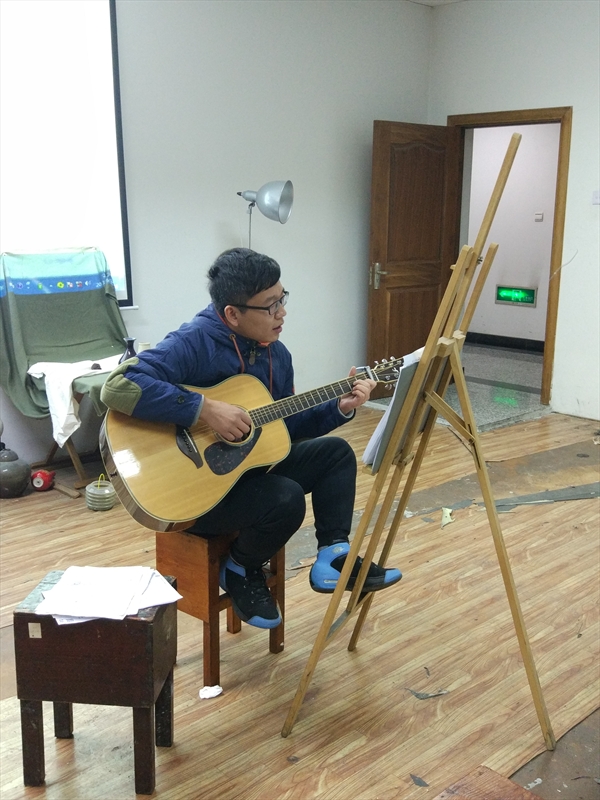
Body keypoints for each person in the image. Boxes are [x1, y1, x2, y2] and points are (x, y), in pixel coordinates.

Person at [101, 248, 401, 629]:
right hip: (197, 495)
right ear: (232, 314)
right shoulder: (194, 341)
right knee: (286, 498)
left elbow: (282, 430)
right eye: (270, 305)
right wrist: (204, 409)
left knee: (336, 454)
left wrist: (339, 408)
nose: (282, 313)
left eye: (282, 299)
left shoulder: (278, 356)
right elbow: (119, 385)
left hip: (246, 475)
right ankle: (240, 568)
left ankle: (333, 555)